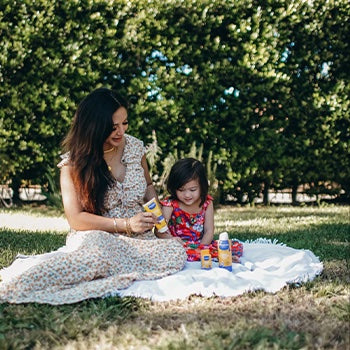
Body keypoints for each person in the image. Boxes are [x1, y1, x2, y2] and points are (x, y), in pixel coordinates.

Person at [0, 87, 187, 304]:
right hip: (99, 234)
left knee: (174, 251)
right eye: (113, 126)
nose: (121, 131)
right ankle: (14, 288)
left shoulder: (135, 148)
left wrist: (161, 227)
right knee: (97, 256)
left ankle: (111, 269)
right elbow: (76, 219)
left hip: (139, 237)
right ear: (94, 126)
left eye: (124, 123)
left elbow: (147, 186)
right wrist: (126, 224)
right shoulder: (72, 164)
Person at [157, 158, 214, 246]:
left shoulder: (207, 203)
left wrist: (201, 248)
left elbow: (209, 231)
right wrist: (171, 240)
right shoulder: (170, 204)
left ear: (202, 186)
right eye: (181, 190)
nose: (187, 195)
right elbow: (159, 231)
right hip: (175, 246)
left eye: (192, 190)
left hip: (201, 245)